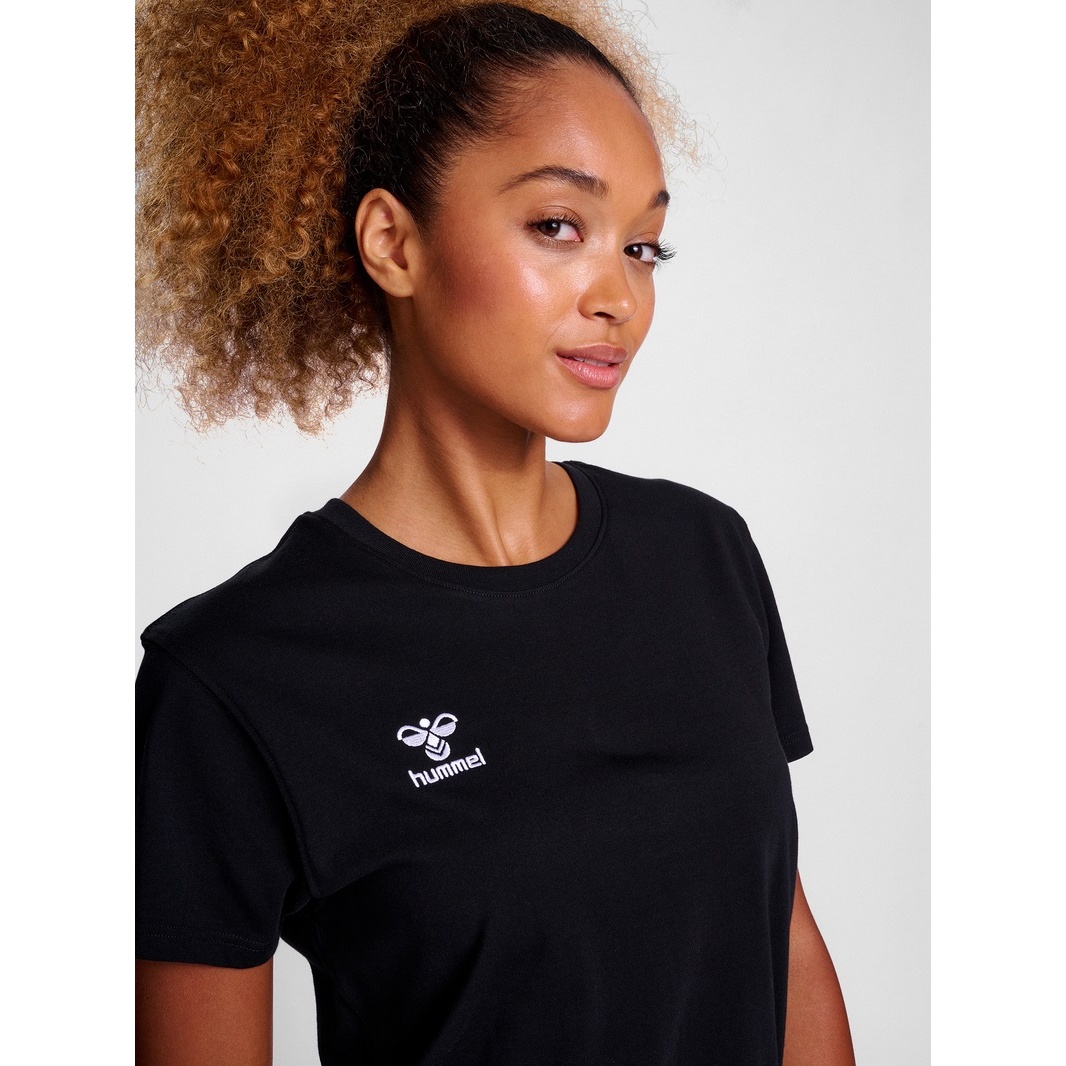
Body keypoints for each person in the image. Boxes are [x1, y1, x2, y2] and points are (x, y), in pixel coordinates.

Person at [135, 1, 856, 1063]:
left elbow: (783, 946)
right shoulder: (230, 677)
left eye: (643, 245)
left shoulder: (702, 555)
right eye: (558, 226)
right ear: (394, 243)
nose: (619, 297)